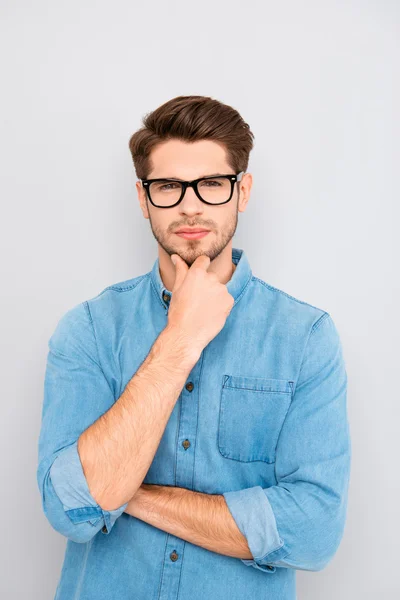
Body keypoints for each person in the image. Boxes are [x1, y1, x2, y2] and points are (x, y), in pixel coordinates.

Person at [37, 95, 351, 600]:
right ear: (143, 199)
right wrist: (179, 340)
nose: (190, 205)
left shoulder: (305, 336)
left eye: (211, 184)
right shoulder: (90, 329)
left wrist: (124, 494)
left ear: (242, 191)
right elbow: (69, 511)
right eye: (167, 186)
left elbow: (313, 533)